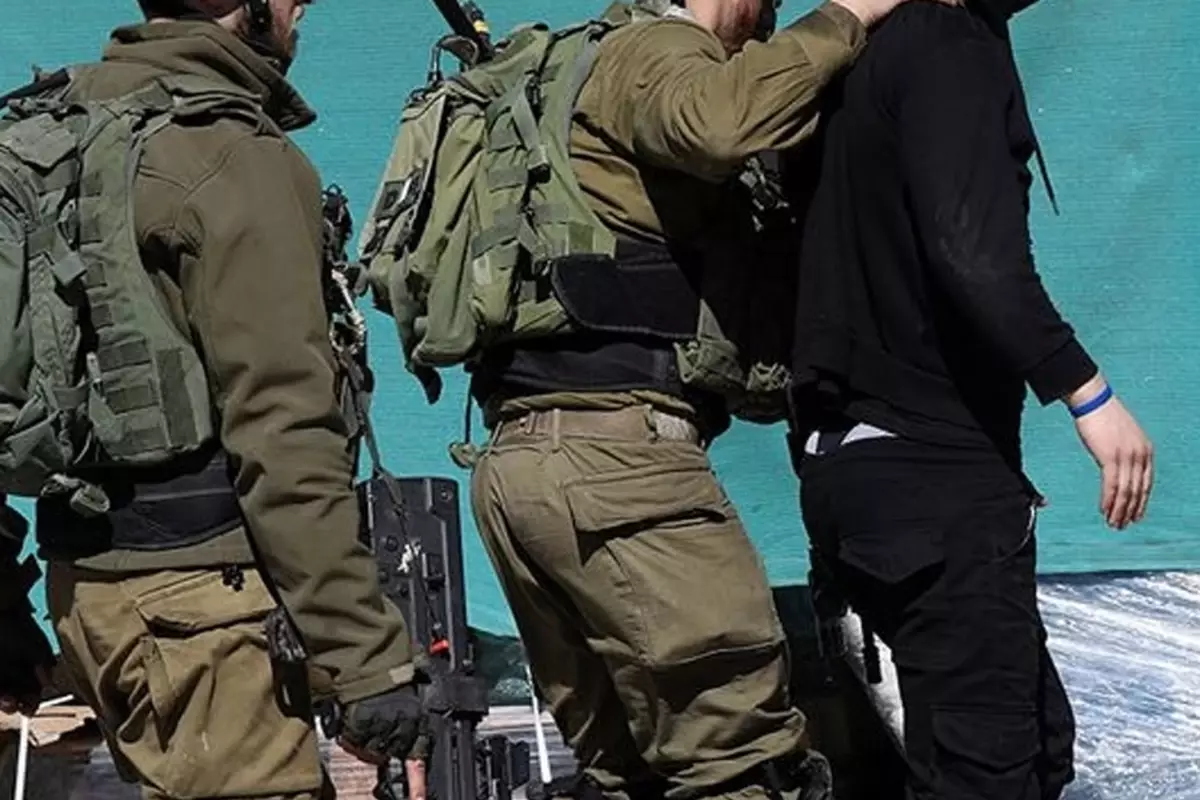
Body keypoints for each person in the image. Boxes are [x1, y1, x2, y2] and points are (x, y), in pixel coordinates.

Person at [458, 0, 956, 798]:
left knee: (630, 777)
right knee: (743, 766)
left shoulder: (569, 70)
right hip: (620, 463)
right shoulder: (655, 47)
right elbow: (716, 125)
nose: (766, 26)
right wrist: (852, 13)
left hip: (522, 467)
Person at [0, 2, 430, 798]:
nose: (303, 7)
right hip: (208, 607)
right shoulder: (229, 154)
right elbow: (283, 427)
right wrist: (363, 658)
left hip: (88, 595)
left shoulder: (44, 132)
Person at [786, 1, 1156, 798]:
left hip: (853, 471)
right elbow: (971, 251)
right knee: (989, 774)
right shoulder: (947, 45)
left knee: (1038, 747)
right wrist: (1087, 392)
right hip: (929, 474)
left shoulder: (849, 61)